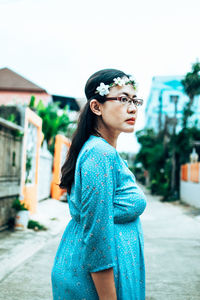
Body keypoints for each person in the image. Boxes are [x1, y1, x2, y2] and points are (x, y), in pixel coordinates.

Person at [51, 68, 147, 300]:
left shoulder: (104, 152)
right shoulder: (99, 154)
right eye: (123, 99)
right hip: (91, 283)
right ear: (96, 107)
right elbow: (97, 237)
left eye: (135, 100)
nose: (132, 108)